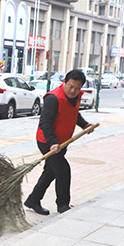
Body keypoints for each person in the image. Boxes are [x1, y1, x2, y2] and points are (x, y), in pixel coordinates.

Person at [24, 69, 95, 215]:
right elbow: (45, 123)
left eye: (77, 88)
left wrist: (85, 125)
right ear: (64, 82)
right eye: (70, 86)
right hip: (47, 142)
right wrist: (53, 142)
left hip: (63, 142)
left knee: (50, 172)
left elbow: (74, 113)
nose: (73, 90)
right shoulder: (53, 98)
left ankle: (33, 200)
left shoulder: (76, 97)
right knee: (63, 170)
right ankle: (63, 205)